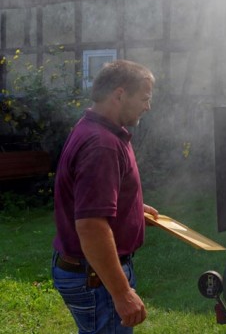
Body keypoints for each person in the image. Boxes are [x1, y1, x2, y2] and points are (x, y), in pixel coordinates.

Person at [52, 59, 159, 333]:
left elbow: (88, 200)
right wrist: (122, 293)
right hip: (95, 278)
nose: (148, 106)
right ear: (120, 94)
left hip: (90, 274)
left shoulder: (94, 129)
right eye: (144, 98)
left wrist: (131, 209)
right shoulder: (102, 145)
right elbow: (91, 226)